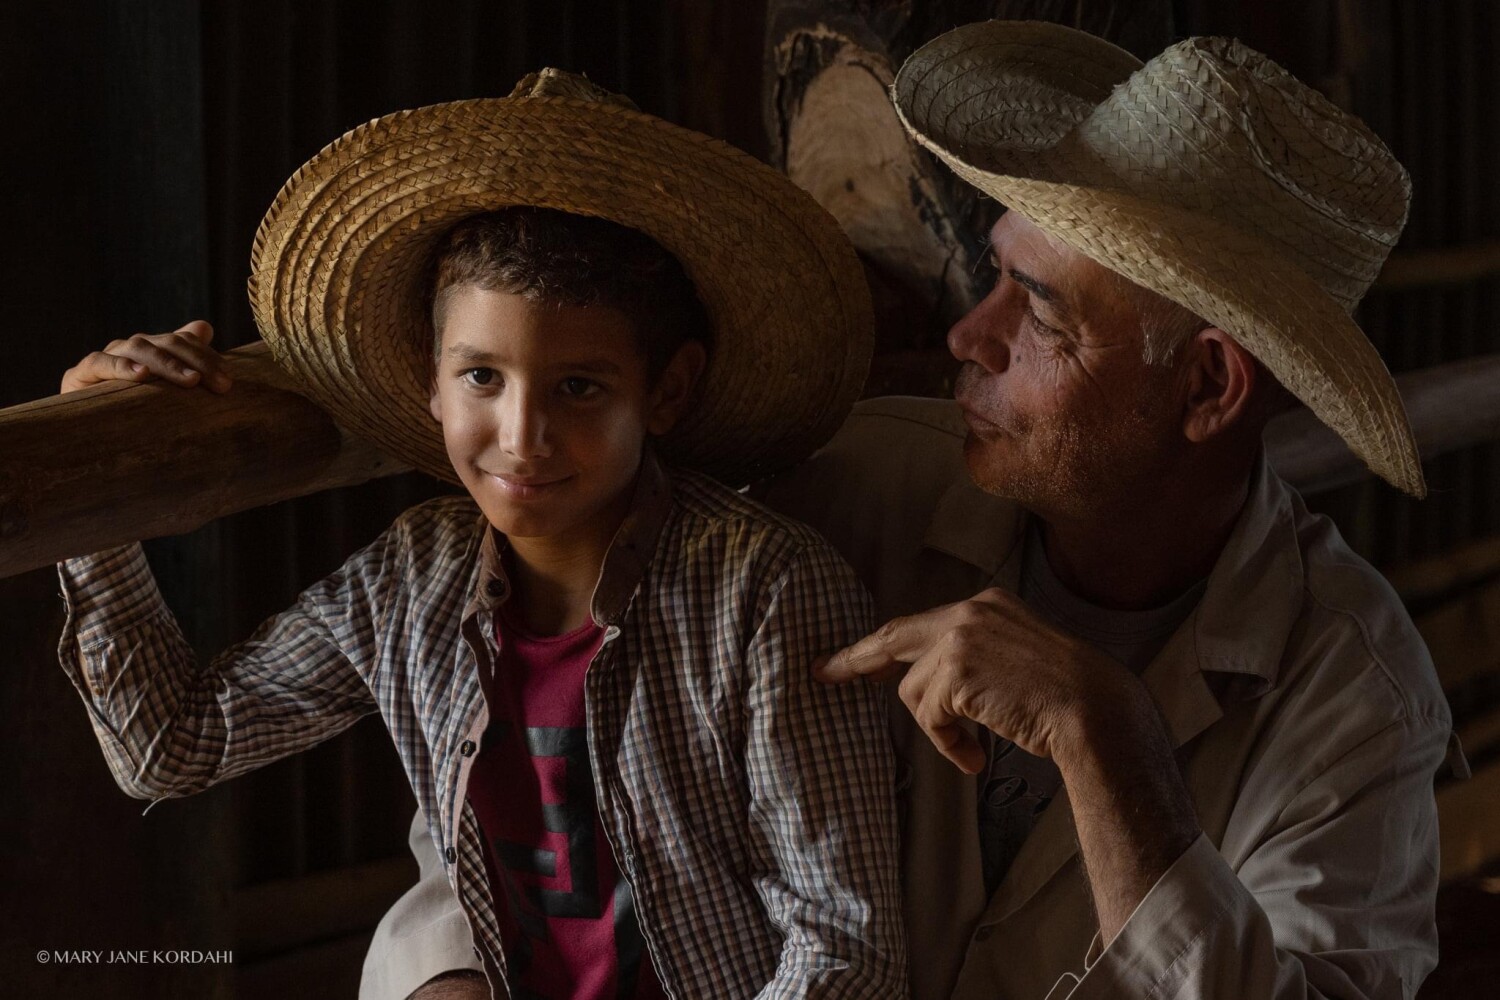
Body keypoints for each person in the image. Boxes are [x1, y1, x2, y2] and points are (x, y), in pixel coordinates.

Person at [369, 24, 1465, 1000]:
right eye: (998, 277)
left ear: (1209, 389)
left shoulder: (1353, 694)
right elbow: (524, 741)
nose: (967, 337)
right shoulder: (843, 492)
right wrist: (451, 967)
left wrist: (1108, 744)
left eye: (1037, 311)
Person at [54, 70, 908, 999]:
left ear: (667, 390)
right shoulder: (415, 577)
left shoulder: (766, 592)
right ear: (432, 378)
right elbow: (169, 747)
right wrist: (94, 493)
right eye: (482, 378)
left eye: (579, 387)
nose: (522, 438)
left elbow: (843, 949)